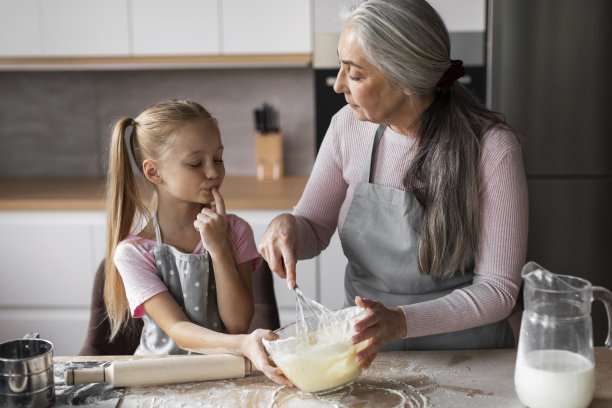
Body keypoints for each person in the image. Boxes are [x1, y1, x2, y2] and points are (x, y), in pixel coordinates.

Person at [259, 0, 528, 370]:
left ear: (405, 79)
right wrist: (287, 226)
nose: (339, 85)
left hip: (472, 358)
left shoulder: (492, 148)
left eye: (354, 75)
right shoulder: (346, 126)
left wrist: (400, 322)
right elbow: (312, 229)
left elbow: (497, 291)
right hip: (368, 355)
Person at [104, 99, 290, 386]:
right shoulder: (133, 253)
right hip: (157, 380)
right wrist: (243, 345)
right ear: (154, 172)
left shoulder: (235, 231)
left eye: (218, 158)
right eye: (195, 163)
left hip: (225, 376)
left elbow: (238, 323)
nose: (213, 172)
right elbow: (177, 328)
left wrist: (218, 249)